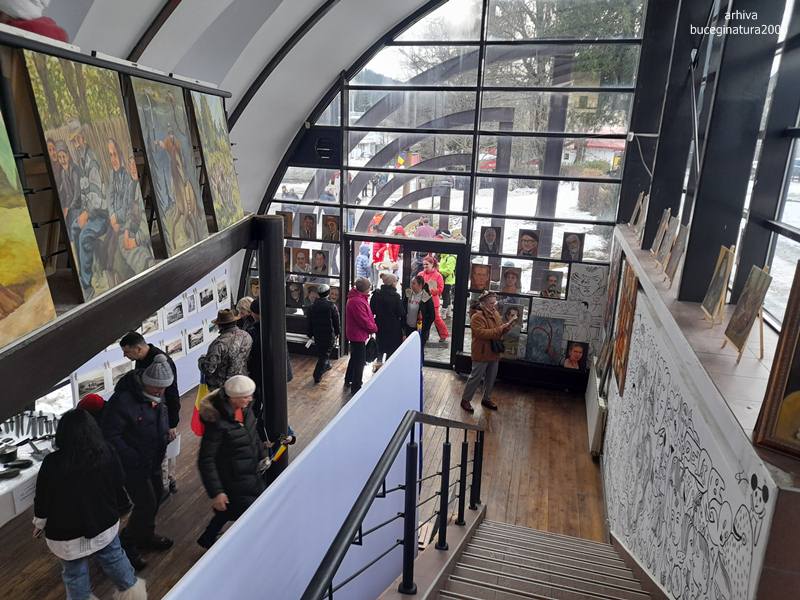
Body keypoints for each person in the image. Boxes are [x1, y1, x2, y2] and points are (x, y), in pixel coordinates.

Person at [33, 409, 146, 600]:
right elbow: (119, 482)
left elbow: (43, 498)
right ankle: (134, 595)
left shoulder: (51, 462)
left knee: (74, 574)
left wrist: (39, 523)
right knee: (115, 559)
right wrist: (121, 506)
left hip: (66, 534)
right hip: (104, 523)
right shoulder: (107, 451)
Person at [102, 355, 174, 571]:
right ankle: (127, 544)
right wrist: (132, 456)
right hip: (132, 465)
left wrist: (165, 433)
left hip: (153, 459)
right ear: (147, 382)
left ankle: (146, 535)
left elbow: (159, 417)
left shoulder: (156, 394)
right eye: (158, 388)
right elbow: (110, 435)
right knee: (145, 504)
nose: (161, 392)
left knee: (158, 495)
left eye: (164, 388)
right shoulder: (122, 402)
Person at [196, 376, 267, 549]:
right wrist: (217, 492)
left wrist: (262, 455)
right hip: (234, 479)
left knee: (230, 510)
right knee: (248, 511)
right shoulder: (217, 423)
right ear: (233, 398)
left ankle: (207, 538)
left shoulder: (245, 410)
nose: (250, 399)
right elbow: (206, 459)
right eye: (246, 396)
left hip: (250, 472)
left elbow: (253, 435)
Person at [119, 331, 180, 496]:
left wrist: (173, 423)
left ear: (138, 349)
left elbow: (172, 394)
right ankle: (165, 482)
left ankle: (166, 484)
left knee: (164, 451)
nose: (125, 356)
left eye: (126, 352)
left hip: (162, 414)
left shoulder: (162, 362)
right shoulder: (141, 360)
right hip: (150, 413)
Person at [245, 298, 293, 441]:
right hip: (279, 373)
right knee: (274, 406)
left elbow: (251, 356)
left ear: (254, 313)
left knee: (262, 408)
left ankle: (279, 435)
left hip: (261, 376)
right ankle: (285, 435)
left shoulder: (253, 332)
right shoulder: (277, 325)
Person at [461, 291, 515, 413]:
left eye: (494, 302)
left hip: (494, 351)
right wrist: (500, 329)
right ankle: (465, 400)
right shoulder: (477, 316)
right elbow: (481, 333)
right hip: (481, 352)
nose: (494, 305)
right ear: (483, 303)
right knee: (475, 378)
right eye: (491, 303)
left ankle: (486, 398)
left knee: (491, 378)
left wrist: (506, 328)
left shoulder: (495, 313)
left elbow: (498, 331)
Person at [198, 309, 253, 390]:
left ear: (220, 325)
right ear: (235, 322)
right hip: (242, 382)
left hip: (223, 388)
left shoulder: (219, 344)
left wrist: (201, 360)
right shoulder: (246, 336)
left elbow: (209, 369)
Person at [345, 278, 377, 394]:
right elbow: (363, 320)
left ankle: (348, 378)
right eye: (369, 287)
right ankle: (356, 386)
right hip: (357, 335)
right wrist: (373, 328)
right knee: (360, 361)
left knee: (354, 357)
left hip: (355, 333)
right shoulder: (357, 301)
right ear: (365, 289)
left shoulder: (357, 298)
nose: (369, 290)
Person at [370, 274, 405, 371]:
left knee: (380, 346)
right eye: (395, 281)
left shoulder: (376, 295)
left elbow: (372, 310)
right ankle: (387, 369)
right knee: (391, 349)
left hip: (379, 325)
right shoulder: (396, 297)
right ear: (392, 283)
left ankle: (378, 366)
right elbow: (401, 312)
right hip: (393, 327)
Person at [307, 284, 340, 383]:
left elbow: (309, 322)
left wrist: (310, 334)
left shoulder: (312, 307)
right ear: (328, 293)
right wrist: (338, 332)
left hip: (317, 334)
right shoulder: (331, 306)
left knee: (322, 352)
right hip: (329, 334)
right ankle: (317, 375)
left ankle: (327, 365)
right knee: (324, 355)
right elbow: (336, 321)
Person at [418, 255, 449, 344]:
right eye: (424, 264)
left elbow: (440, 289)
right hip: (422, 300)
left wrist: (431, 290)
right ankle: (423, 335)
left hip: (433, 301)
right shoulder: (420, 274)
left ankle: (444, 335)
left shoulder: (438, 275)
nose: (425, 266)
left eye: (426, 264)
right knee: (422, 319)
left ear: (432, 264)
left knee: (436, 319)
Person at [403, 275, 435, 360]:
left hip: (420, 330)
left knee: (418, 351)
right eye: (411, 283)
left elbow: (432, 316)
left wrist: (424, 328)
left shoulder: (426, 297)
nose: (411, 285)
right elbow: (403, 309)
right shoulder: (408, 294)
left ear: (420, 285)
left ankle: (419, 367)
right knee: (408, 350)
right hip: (408, 328)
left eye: (414, 283)